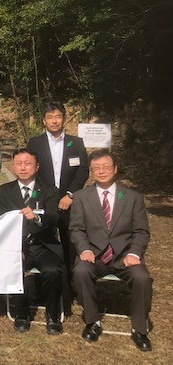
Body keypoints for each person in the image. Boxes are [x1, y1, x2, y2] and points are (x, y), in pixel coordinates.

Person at [70, 150, 153, 351]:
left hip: (124, 256)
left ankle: (139, 328)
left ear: (115, 169)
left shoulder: (133, 197)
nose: (101, 171)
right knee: (80, 272)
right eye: (96, 168)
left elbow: (141, 231)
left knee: (142, 278)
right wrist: (84, 249)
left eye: (106, 167)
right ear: (90, 172)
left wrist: (134, 253)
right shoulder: (81, 197)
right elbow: (76, 229)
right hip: (94, 256)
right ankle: (92, 321)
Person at [0, 149, 64, 335]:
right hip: (17, 245)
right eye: (19, 163)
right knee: (16, 269)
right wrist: (15, 246)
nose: (23, 167)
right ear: (13, 166)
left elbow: (54, 218)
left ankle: (53, 314)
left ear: (37, 167)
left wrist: (36, 218)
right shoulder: (5, 190)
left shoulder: (50, 190)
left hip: (44, 244)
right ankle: (22, 313)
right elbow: (1, 220)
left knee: (53, 271)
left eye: (28, 163)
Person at [27, 102, 88, 292]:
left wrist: (70, 195)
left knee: (70, 242)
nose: (54, 121)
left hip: (68, 202)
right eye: (50, 117)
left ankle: (70, 284)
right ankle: (46, 281)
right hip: (44, 202)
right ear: (44, 121)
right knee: (45, 240)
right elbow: (31, 170)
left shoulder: (76, 143)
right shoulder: (34, 143)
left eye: (58, 117)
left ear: (64, 119)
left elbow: (83, 171)